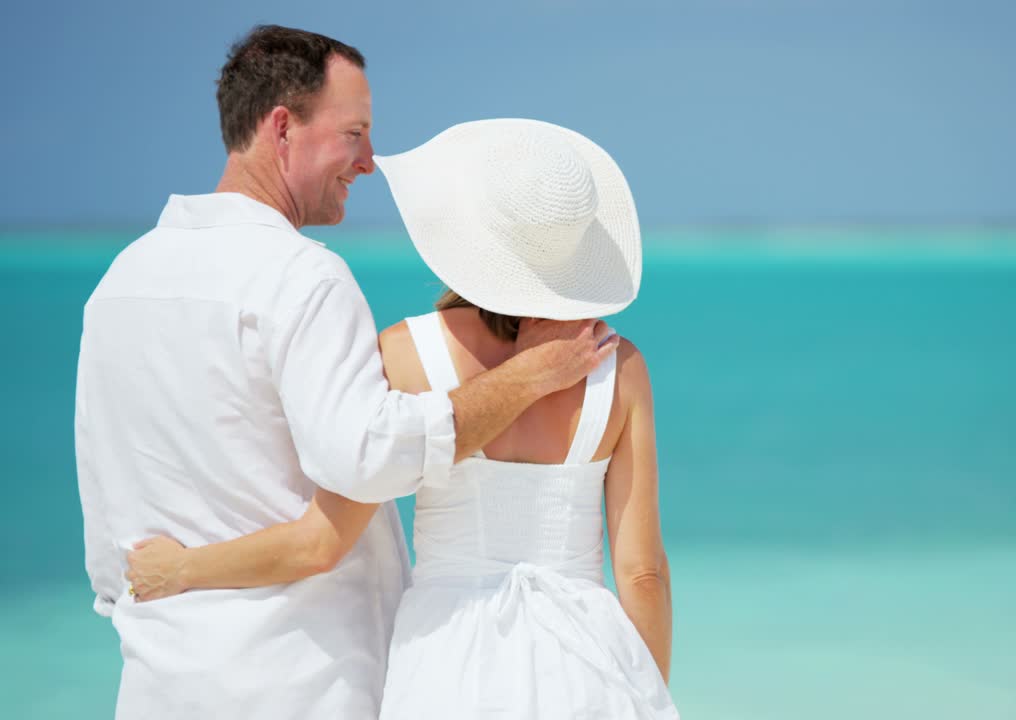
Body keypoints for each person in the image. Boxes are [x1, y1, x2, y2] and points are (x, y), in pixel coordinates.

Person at [76, 27, 617, 720]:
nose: (366, 163)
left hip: (159, 681)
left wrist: (171, 585)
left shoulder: (118, 287)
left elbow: (107, 538)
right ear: (282, 128)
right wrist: (530, 375)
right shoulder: (303, 279)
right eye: (354, 133)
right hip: (301, 681)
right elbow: (368, 458)